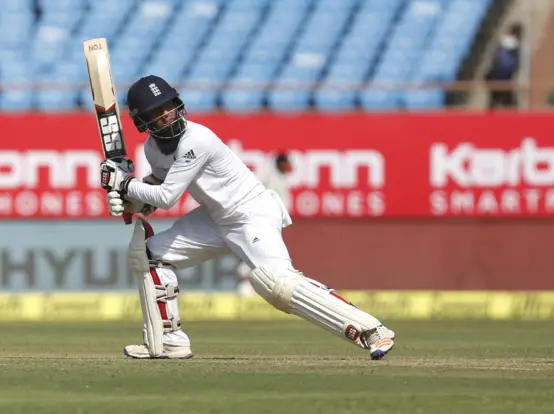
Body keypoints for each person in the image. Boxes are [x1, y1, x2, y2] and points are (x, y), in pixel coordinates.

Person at [100, 75, 395, 360]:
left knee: (275, 283)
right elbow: (152, 197)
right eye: (156, 112)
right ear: (142, 122)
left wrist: (123, 183)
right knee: (150, 254)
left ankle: (372, 330)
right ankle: (168, 341)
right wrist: (127, 201)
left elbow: (167, 196)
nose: (166, 115)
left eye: (169, 105)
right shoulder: (153, 150)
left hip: (251, 212)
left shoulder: (197, 139)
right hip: (215, 218)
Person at [236, 151, 292, 297]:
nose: (287, 166)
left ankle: (259, 284)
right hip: (264, 220)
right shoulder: (269, 176)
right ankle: (244, 281)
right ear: (280, 163)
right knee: (259, 249)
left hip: (275, 222)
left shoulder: (282, 177)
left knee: (267, 253)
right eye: (285, 163)